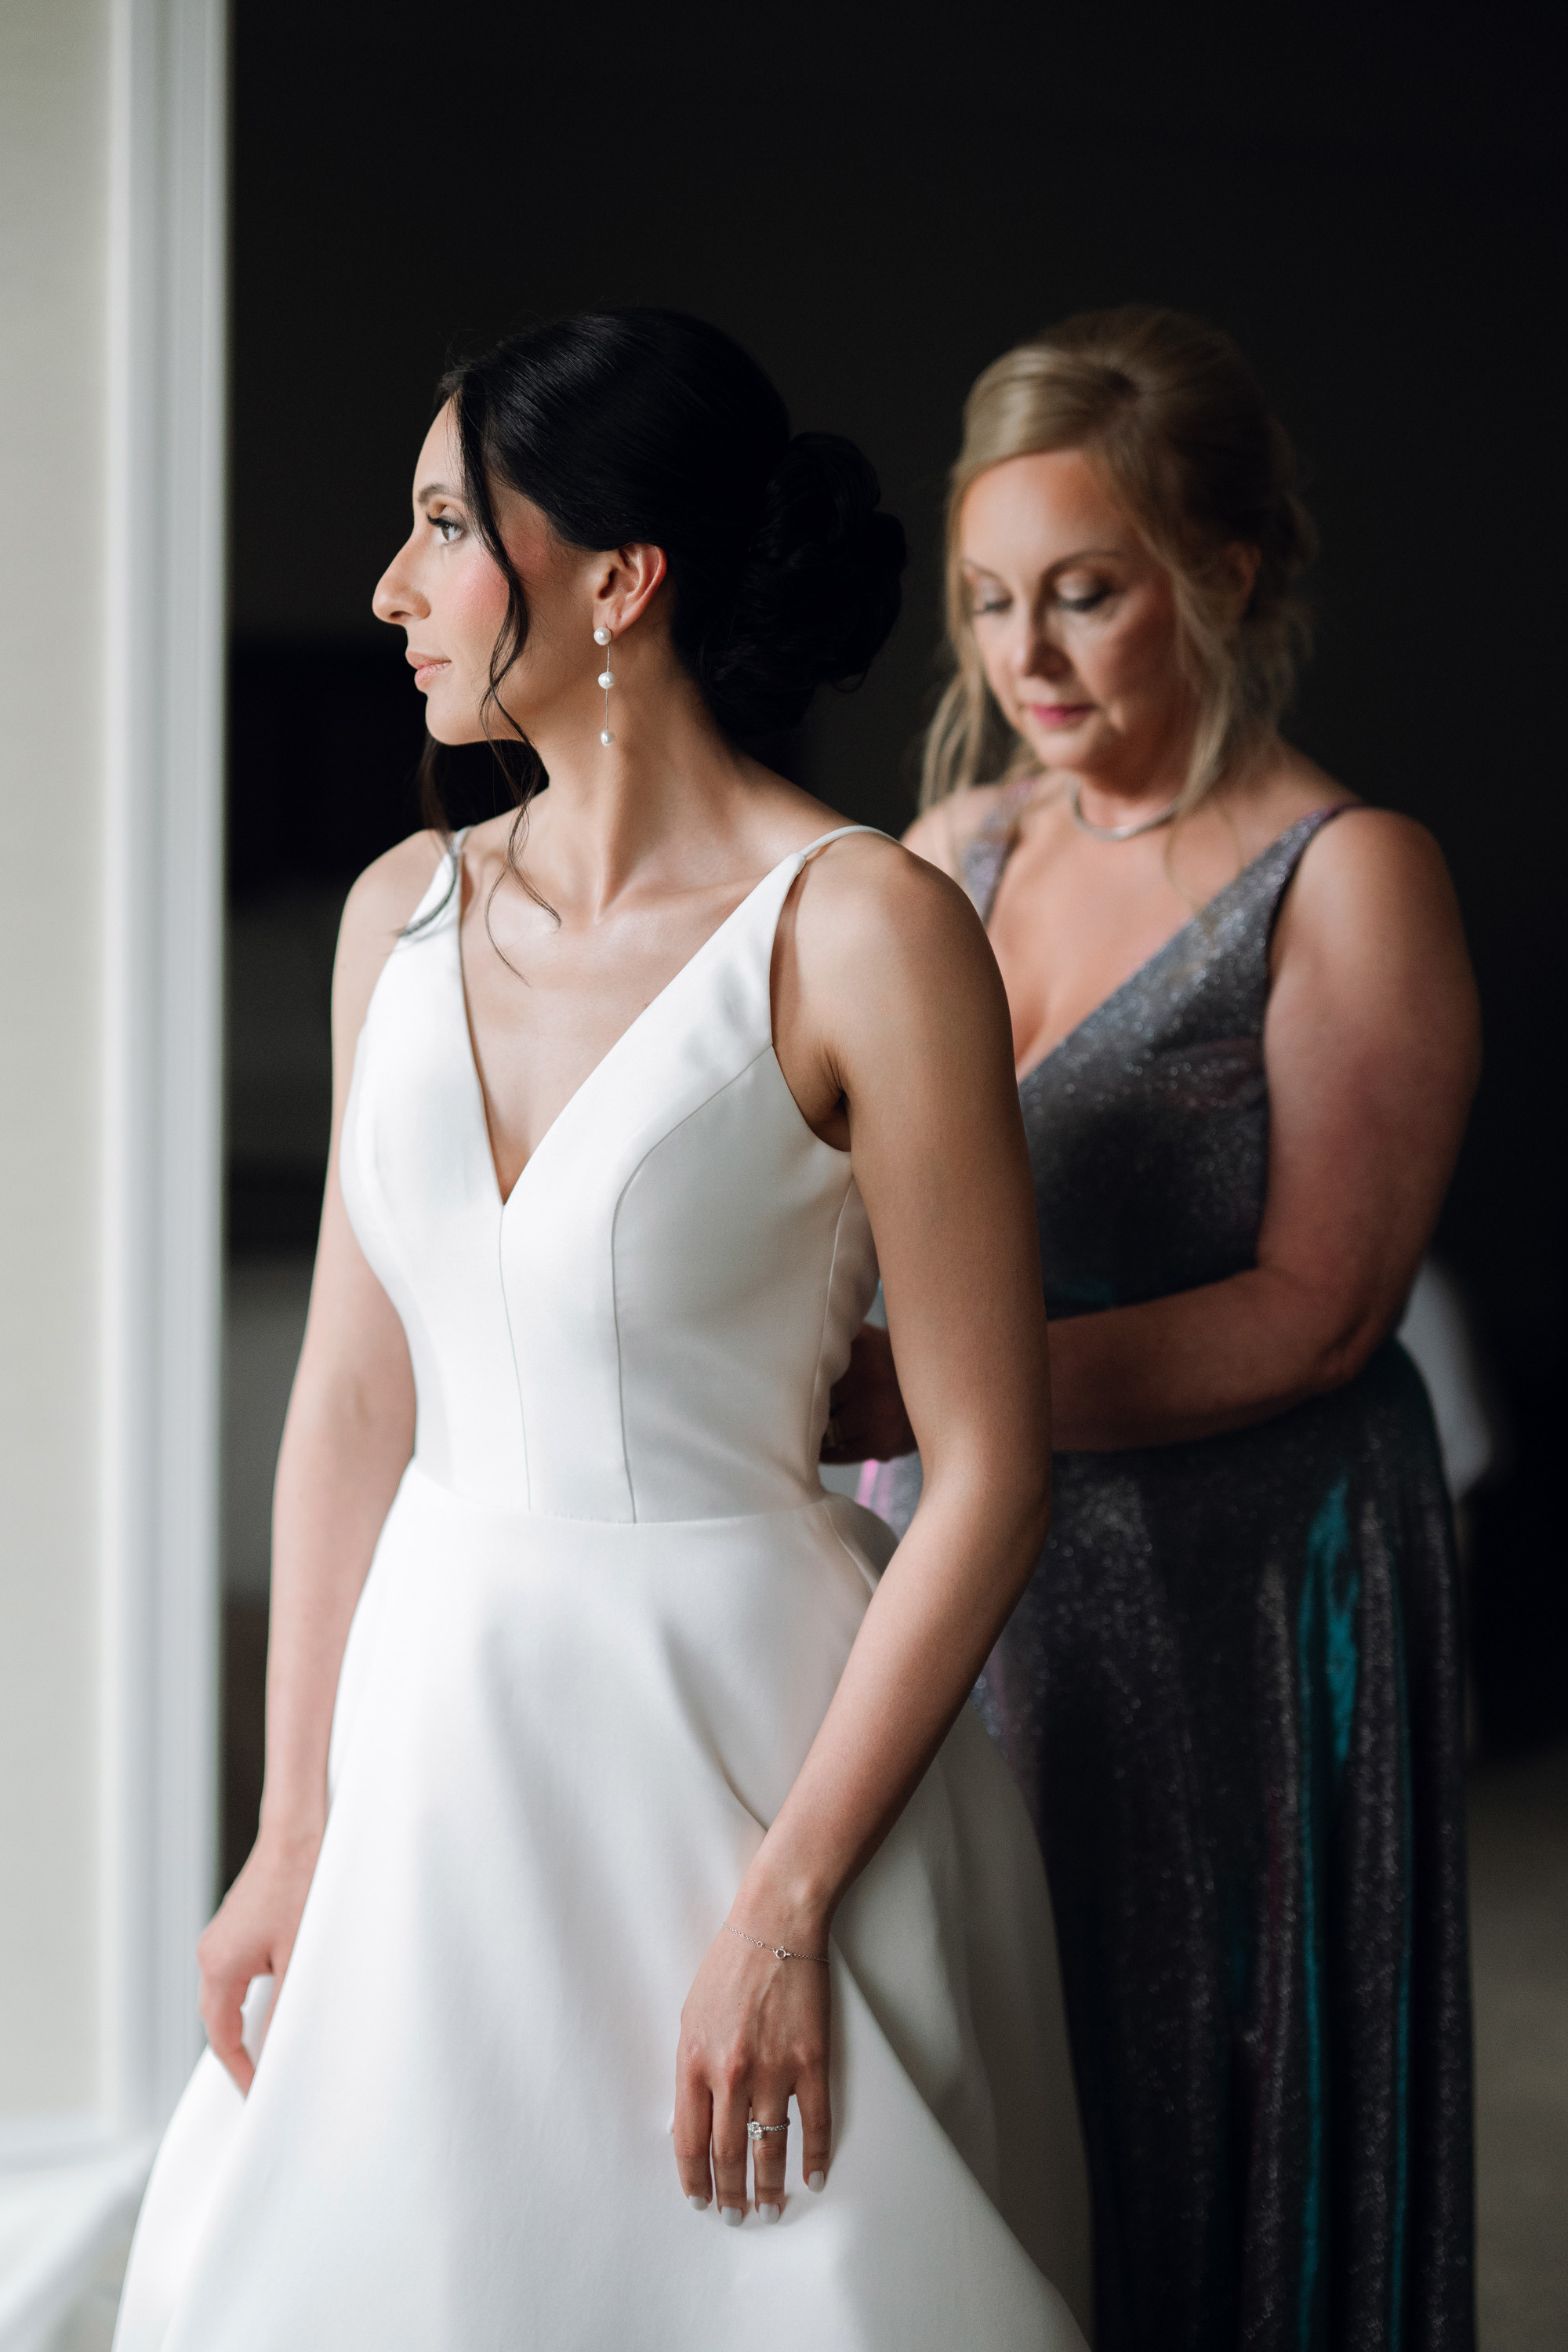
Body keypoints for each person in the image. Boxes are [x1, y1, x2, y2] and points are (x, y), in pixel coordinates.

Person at [111, 310, 1091, 2351]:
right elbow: (350, 1405)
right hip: (437, 1744)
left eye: (444, 527)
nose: (390, 588)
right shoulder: (399, 913)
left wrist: (785, 1906)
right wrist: (292, 1829)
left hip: (757, 1754)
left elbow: (993, 1468)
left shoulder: (867, 927)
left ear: (616, 583)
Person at [829, 308, 1479, 2350]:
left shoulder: (1349, 876)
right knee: (965, 2071)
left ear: (1229, 569)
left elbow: (1318, 1314)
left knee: (1195, 2090)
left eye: (1086, 594)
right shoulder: (963, 850)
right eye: (990, 603)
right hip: (953, 1557)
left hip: (1232, 1593)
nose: (1025, 659)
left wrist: (940, 1402)